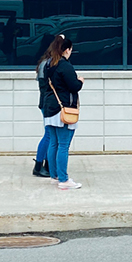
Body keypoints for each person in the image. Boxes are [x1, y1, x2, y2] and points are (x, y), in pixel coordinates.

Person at [42, 34, 83, 190]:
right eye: (70, 49)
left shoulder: (48, 65)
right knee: (64, 145)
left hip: (50, 107)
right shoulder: (65, 66)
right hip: (63, 109)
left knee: (54, 142)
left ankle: (55, 176)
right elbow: (74, 86)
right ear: (66, 50)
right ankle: (64, 179)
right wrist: (80, 81)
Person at [31, 35, 56, 178]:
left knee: (50, 135)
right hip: (47, 104)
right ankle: (39, 165)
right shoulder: (46, 64)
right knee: (48, 135)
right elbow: (45, 87)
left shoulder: (44, 63)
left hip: (46, 103)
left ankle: (45, 164)